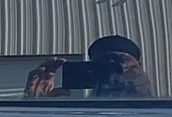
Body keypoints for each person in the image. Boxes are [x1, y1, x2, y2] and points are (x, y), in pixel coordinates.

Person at [26, 35, 154, 98]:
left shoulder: (160, 110)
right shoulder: (79, 114)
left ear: (139, 67)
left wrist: (143, 99)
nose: (113, 73)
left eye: (121, 62)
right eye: (103, 66)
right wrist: (36, 107)